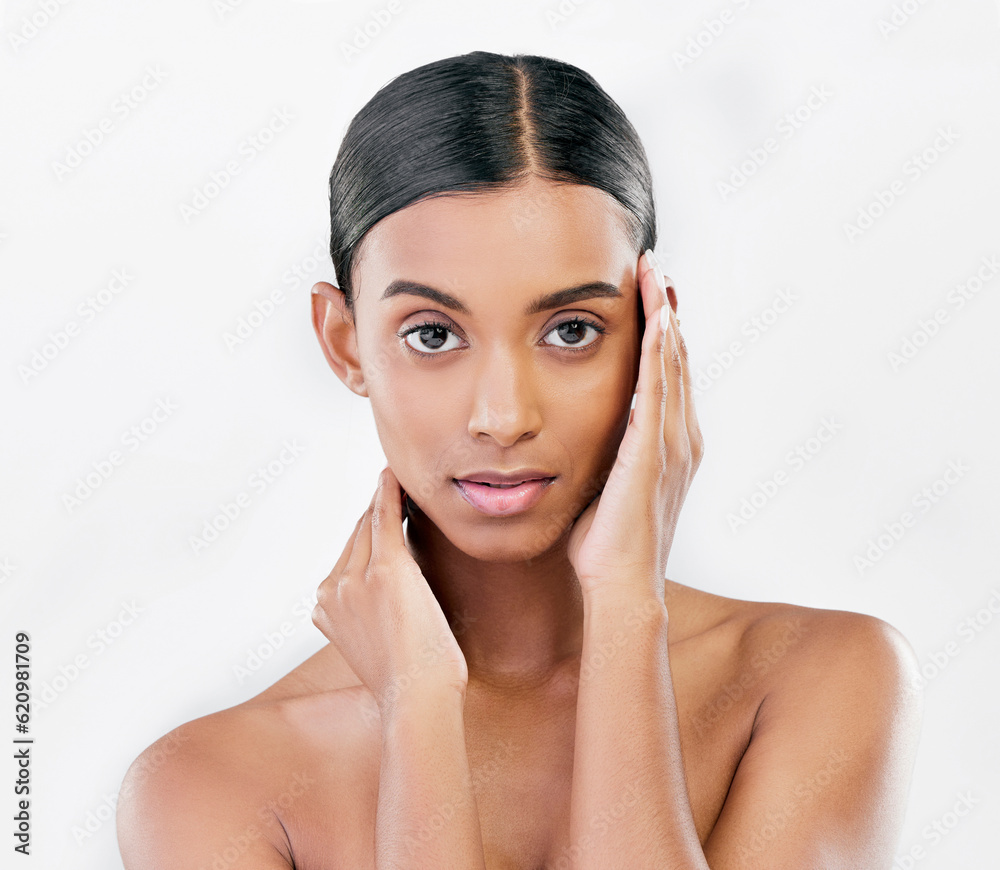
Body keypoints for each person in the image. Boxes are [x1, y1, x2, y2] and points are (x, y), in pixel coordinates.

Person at [116, 51, 923, 869]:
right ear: (343, 342)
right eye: (432, 334)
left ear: (655, 337)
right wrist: (418, 712)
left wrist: (624, 606)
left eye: (571, 330)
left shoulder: (822, 681)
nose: (503, 417)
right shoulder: (208, 786)